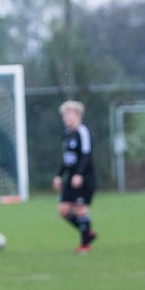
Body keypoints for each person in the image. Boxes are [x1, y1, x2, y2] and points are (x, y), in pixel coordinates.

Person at [53, 100, 98, 254]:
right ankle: (88, 233)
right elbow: (67, 159)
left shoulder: (82, 132)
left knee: (80, 209)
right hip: (70, 178)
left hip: (84, 177)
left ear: (77, 115)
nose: (65, 118)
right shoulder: (67, 134)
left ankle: (85, 245)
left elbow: (86, 155)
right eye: (64, 115)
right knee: (63, 210)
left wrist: (79, 174)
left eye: (68, 114)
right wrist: (59, 175)